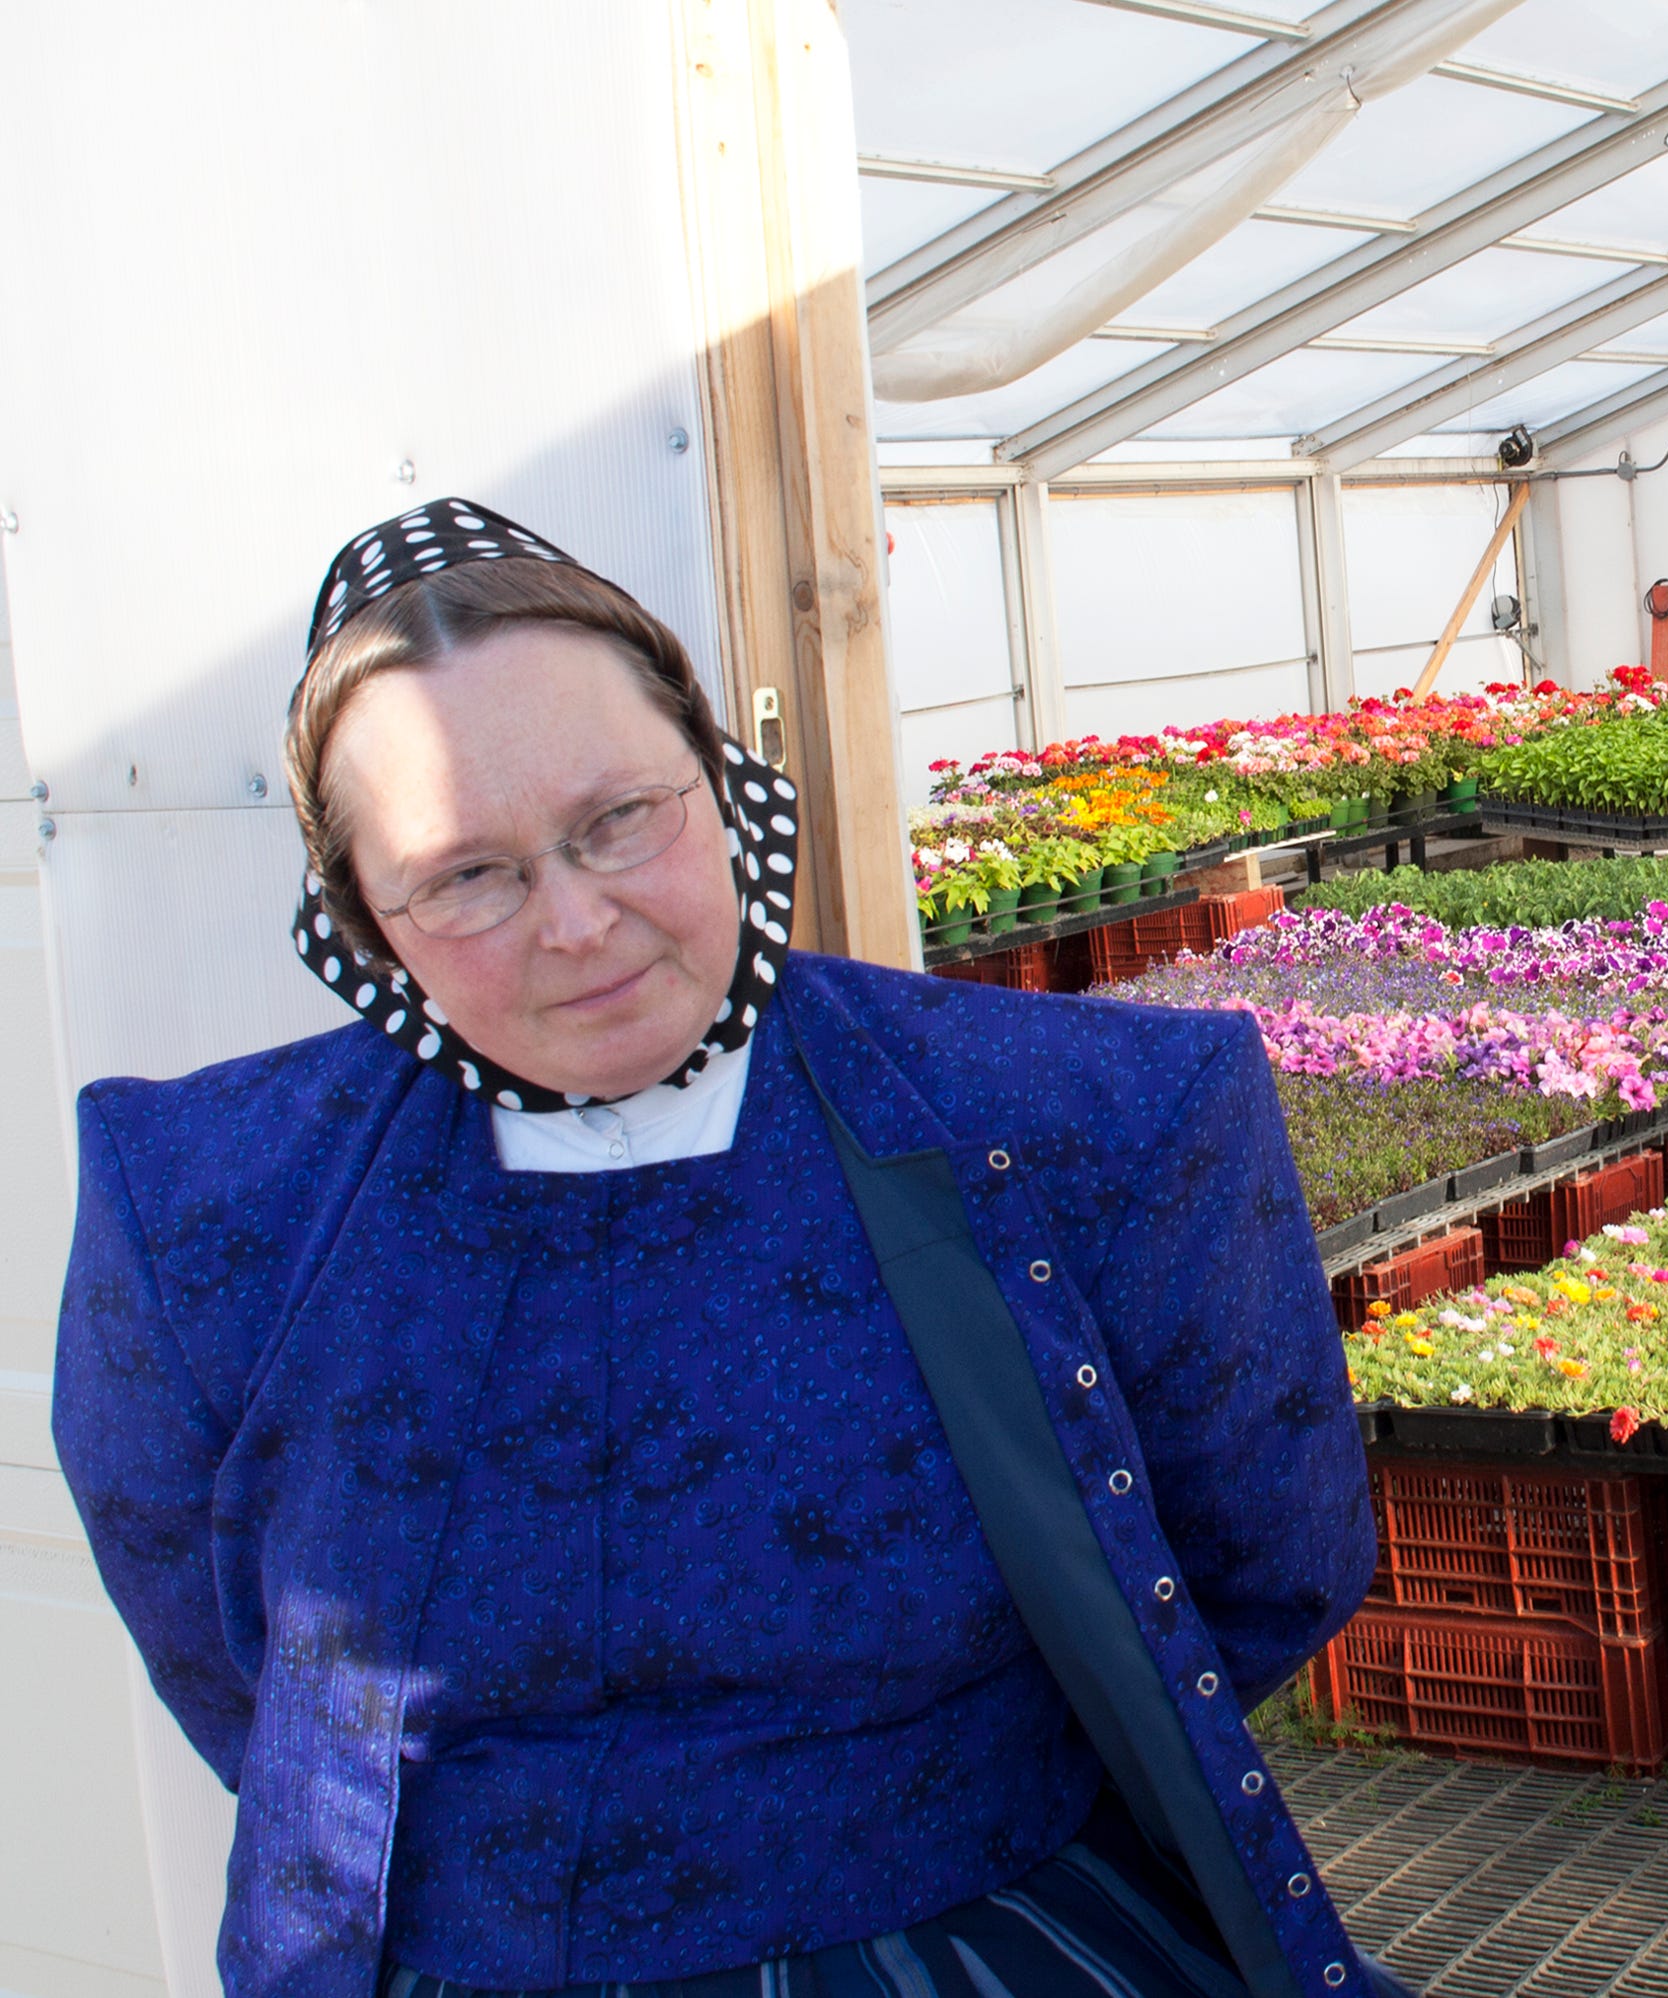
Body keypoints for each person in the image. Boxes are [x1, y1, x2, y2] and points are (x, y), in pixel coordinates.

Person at [54, 504, 1389, 1998]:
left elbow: (1273, 1560)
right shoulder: (204, 1211)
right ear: (369, 927)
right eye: (465, 875)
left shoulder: (1090, 1119)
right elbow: (222, 1653)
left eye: (622, 815)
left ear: (722, 775)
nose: (576, 920)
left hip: (982, 1941)